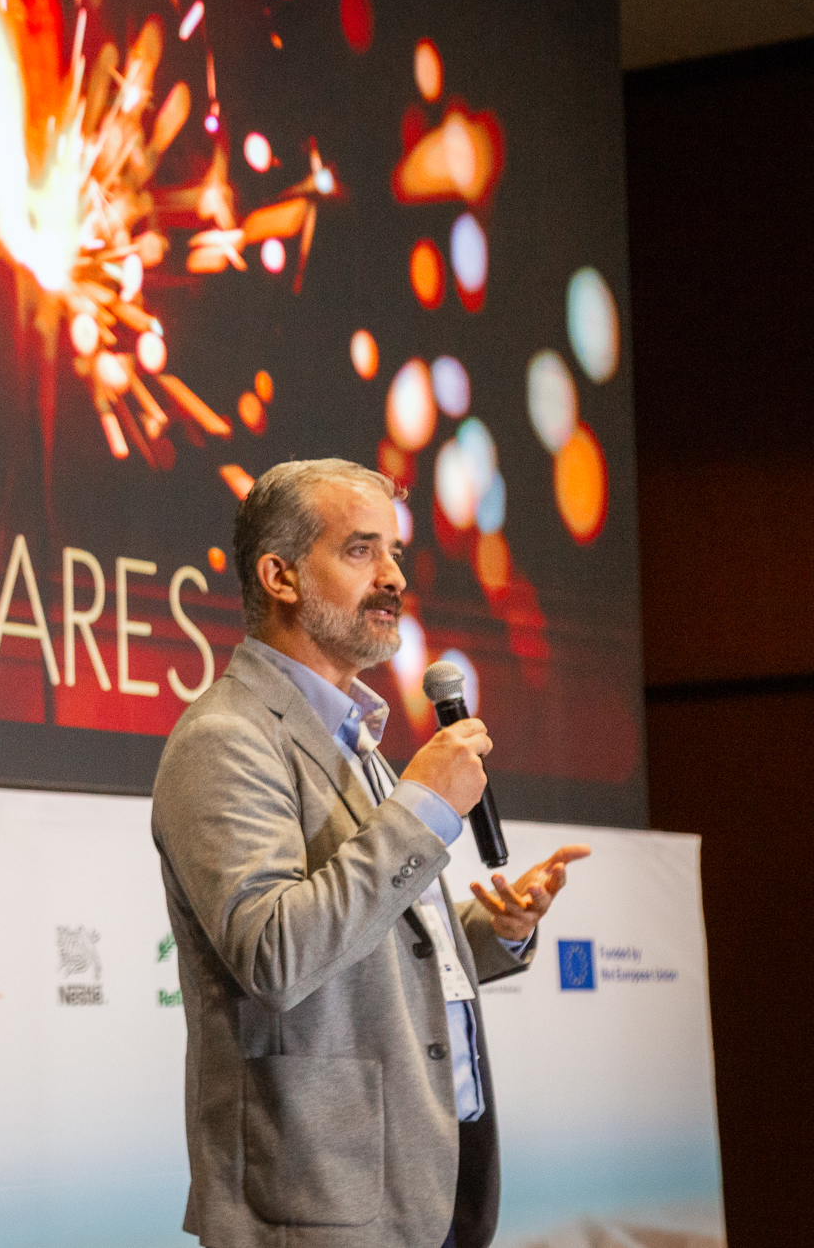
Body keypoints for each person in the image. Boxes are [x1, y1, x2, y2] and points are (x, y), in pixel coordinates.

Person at [152, 459, 590, 1248]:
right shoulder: (226, 737)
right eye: (360, 550)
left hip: (423, 1184)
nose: (393, 576)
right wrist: (421, 808)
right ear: (280, 576)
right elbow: (276, 951)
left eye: (394, 551)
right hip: (319, 1205)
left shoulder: (353, 734)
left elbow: (376, 937)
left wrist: (495, 930)